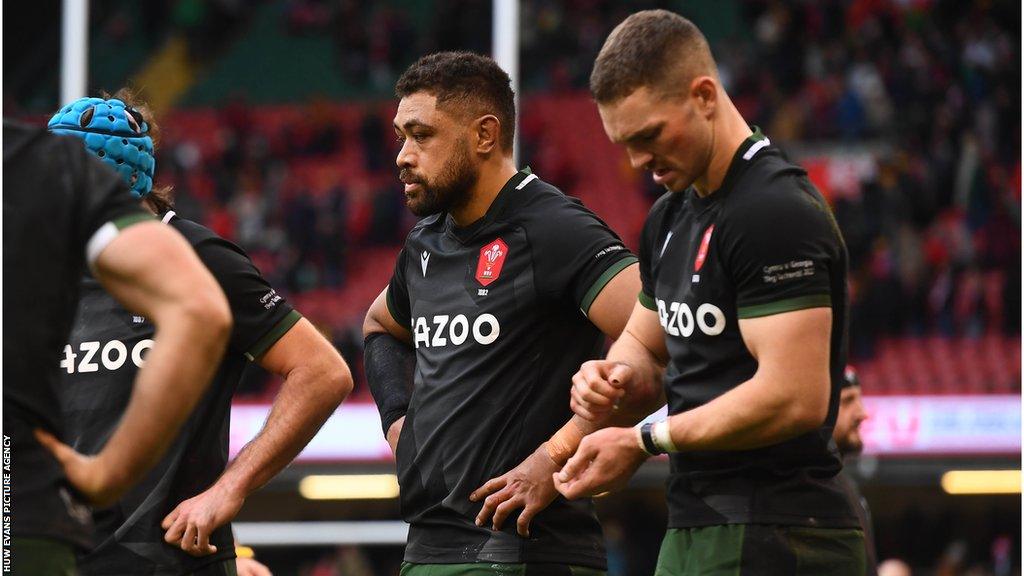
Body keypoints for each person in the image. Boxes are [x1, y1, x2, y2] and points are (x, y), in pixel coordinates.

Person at [553, 10, 865, 575]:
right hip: (698, 521)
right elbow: (645, 345)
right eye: (625, 144)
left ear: (703, 95)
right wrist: (609, 375)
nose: (638, 162)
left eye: (648, 136)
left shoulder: (773, 211)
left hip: (781, 529)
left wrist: (645, 439)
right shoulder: (671, 217)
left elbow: (792, 396)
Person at [48, 92, 354, 576]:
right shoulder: (44, 270)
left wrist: (228, 489)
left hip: (170, 560)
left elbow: (321, 371)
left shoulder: (199, 258)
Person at [362, 51, 644, 575]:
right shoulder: (424, 244)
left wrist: (556, 454)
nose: (402, 155)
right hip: (426, 552)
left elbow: (660, 339)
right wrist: (399, 422)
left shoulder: (554, 229)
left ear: (485, 135)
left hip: (530, 552)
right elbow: (380, 326)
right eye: (401, 136)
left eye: (421, 135)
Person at [3, 120, 232, 575]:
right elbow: (199, 313)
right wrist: (107, 476)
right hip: (31, 519)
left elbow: (320, 369)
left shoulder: (197, 248)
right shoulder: (39, 161)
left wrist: (227, 489)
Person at [834, 366, 879, 576]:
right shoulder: (807, 484)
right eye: (848, 401)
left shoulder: (846, 485)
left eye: (859, 400)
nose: (862, 413)